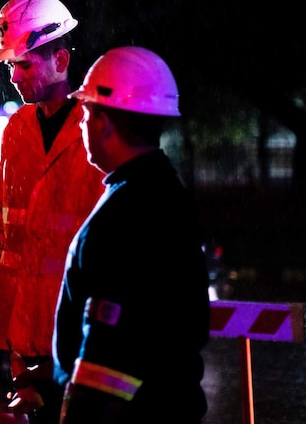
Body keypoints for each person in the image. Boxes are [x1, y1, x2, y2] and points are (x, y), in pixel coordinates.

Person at [0, 0, 105, 423]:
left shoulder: (100, 133)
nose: (14, 77)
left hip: (83, 346)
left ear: (61, 60)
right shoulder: (14, 132)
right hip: (24, 343)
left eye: (24, 64)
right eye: (12, 65)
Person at [52, 46, 210, 423]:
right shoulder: (168, 193)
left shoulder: (123, 214)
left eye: (86, 112)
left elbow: (109, 359)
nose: (81, 123)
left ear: (104, 122)